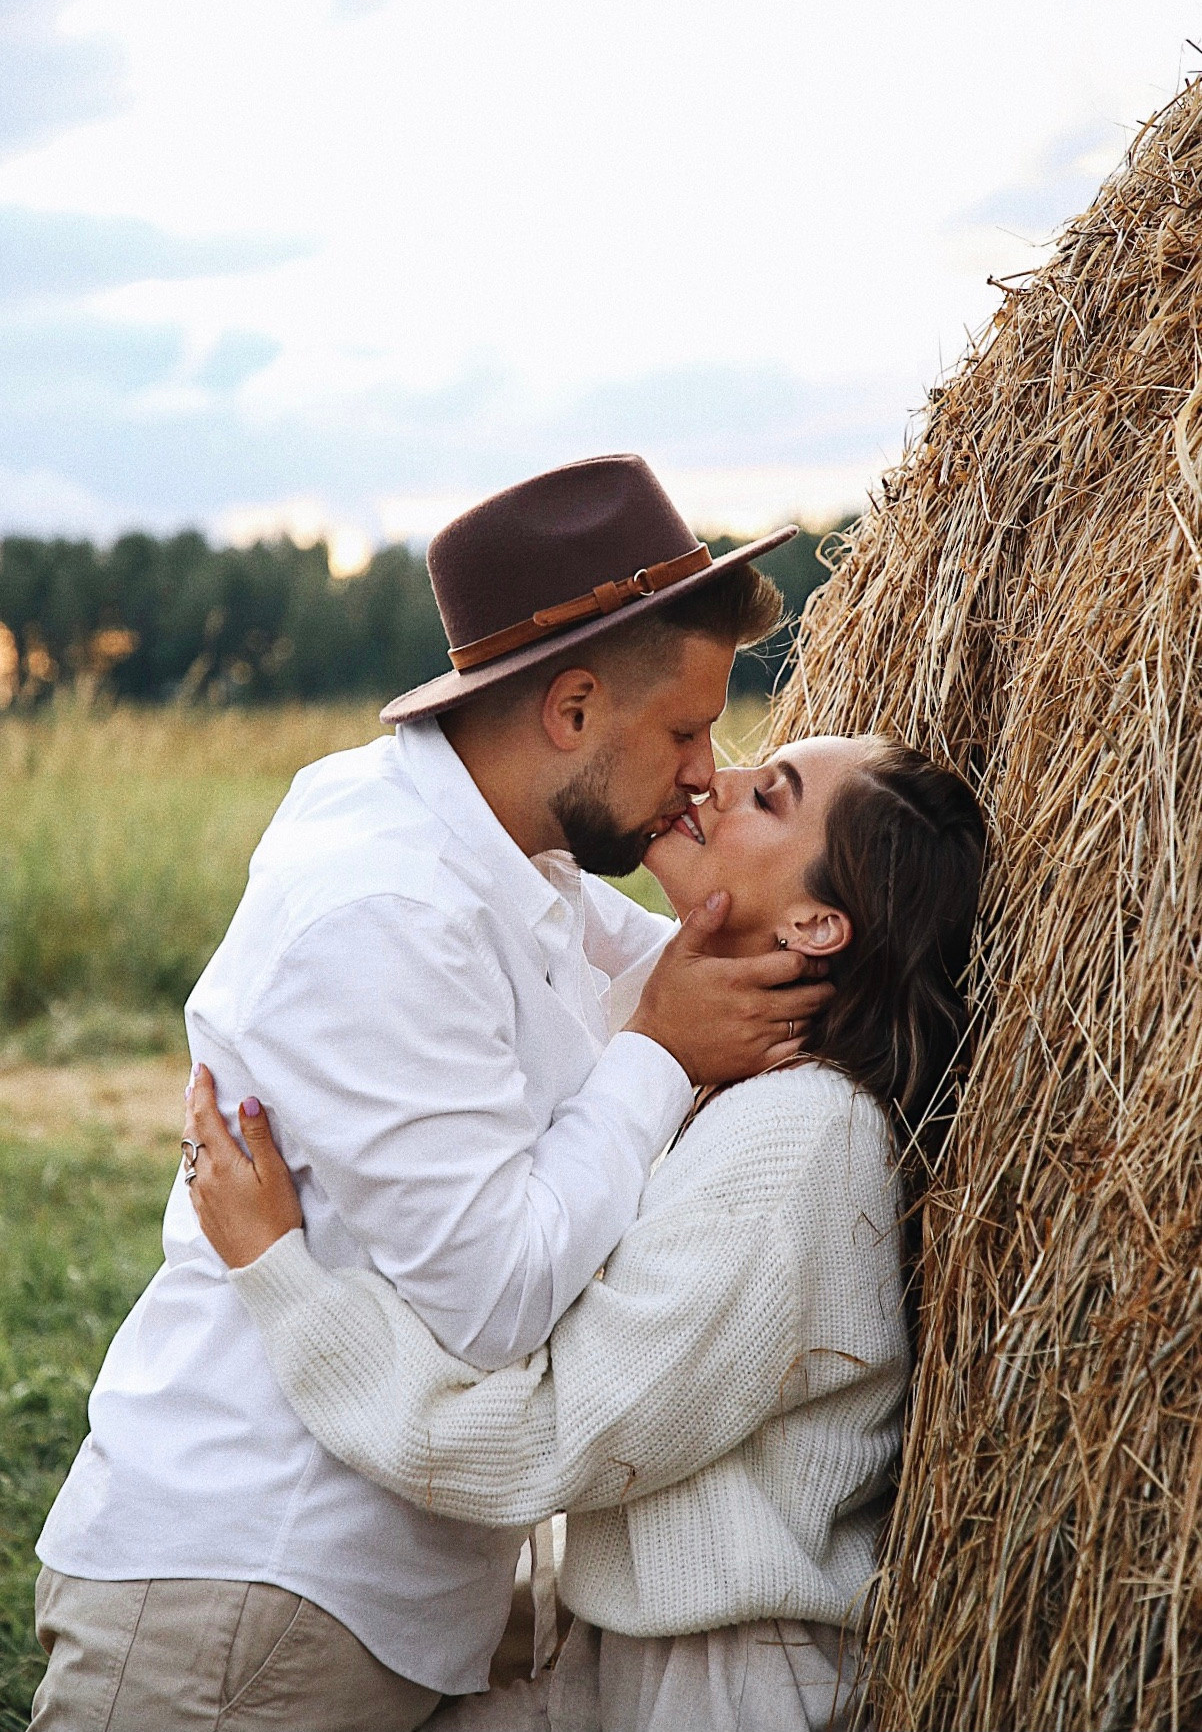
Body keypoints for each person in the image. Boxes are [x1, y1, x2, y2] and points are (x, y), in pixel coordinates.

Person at [30, 455, 835, 1732]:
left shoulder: (508, 852)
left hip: (370, 1593)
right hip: (255, 1590)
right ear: (569, 711)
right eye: (685, 731)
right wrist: (661, 1056)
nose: (705, 770)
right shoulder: (387, 907)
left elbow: (665, 983)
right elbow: (495, 1300)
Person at [184, 732, 986, 1732]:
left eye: (766, 798)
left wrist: (281, 1276)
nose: (712, 779)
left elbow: (547, 1435)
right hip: (636, 1665)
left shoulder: (799, 1139)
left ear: (817, 924)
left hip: (721, 1693)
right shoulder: (749, 1094)